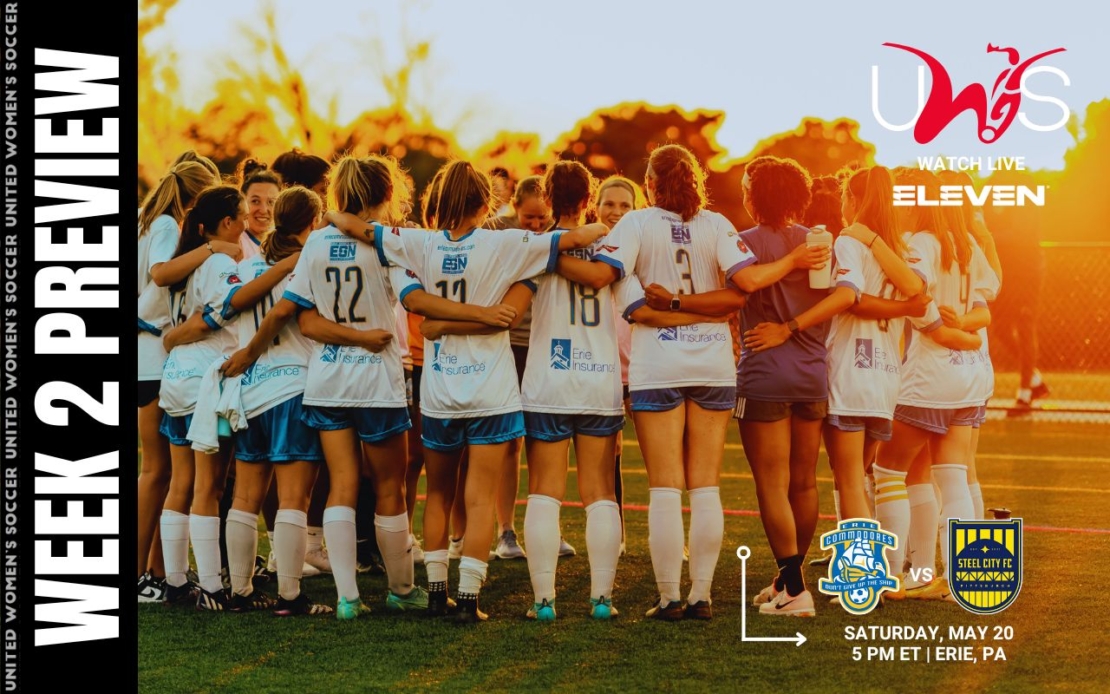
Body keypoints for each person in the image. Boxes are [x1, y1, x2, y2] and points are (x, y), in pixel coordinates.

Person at [328, 159, 609, 622]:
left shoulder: (419, 242)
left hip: (440, 386)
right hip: (490, 389)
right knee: (479, 499)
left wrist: (332, 213)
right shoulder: (504, 242)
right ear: (485, 202)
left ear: (439, 201)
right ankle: (469, 599)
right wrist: (603, 223)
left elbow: (357, 228)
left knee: (438, 493)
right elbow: (578, 238)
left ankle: (436, 593)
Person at [557, 145, 828, 621]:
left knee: (665, 487)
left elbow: (612, 284)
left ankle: (669, 599)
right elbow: (738, 293)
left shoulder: (636, 223)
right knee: (705, 487)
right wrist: (705, 311)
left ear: (650, 184)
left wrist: (546, 252)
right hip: (712, 365)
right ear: (696, 182)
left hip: (658, 364)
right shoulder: (717, 224)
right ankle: (701, 597)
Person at [279, 155, 426, 619]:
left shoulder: (316, 242)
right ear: (387, 194)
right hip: (377, 379)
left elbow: (306, 322)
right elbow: (415, 299)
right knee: (389, 486)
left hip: (327, 379)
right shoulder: (387, 241)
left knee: (340, 484)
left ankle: (347, 597)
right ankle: (401, 590)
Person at [153, 185, 300, 610]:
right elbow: (226, 308)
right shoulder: (218, 261)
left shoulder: (185, 259)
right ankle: (213, 589)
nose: (248, 222)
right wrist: (288, 265)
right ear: (227, 222)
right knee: (210, 486)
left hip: (175, 377)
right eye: (241, 215)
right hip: (204, 378)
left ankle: (176, 583)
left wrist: (173, 338)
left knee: (181, 484)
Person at [864, 169, 988, 600]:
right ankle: (957, 578)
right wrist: (964, 332)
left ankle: (891, 576)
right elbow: (985, 301)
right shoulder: (965, 243)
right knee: (952, 477)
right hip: (965, 375)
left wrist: (938, 328)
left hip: (928, 377)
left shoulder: (921, 243)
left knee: (886, 472)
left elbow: (915, 294)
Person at [216, 187, 337, 615]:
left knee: (246, 497)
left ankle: (241, 591)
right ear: (313, 221)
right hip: (293, 387)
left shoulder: (248, 265)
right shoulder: (311, 263)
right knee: (293, 499)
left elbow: (231, 309)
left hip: (250, 390)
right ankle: (290, 596)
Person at [136, 160, 224, 602]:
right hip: (152, 355)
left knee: (164, 470)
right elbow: (160, 274)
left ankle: (159, 571)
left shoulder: (148, 218)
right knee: (156, 470)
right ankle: (139, 575)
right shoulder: (167, 224)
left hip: (148, 354)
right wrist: (211, 248)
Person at [594, 176, 646, 553]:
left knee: (658, 454)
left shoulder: (645, 249)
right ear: (595, 206)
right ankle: (617, 536)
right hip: (601, 366)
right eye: (609, 204)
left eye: (625, 206)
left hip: (642, 365)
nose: (616, 212)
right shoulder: (588, 249)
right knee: (607, 455)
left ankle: (670, 538)